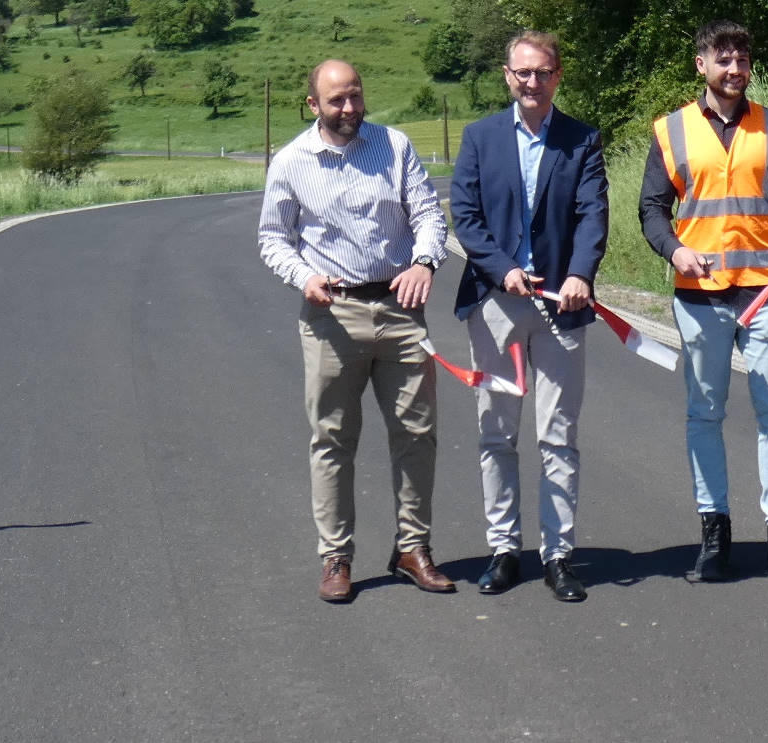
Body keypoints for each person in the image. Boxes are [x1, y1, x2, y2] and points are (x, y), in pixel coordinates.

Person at [639, 20, 768, 591]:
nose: (734, 69)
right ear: (702, 64)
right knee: (705, 415)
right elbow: (652, 208)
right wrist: (674, 251)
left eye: (742, 60)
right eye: (723, 59)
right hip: (700, 298)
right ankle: (715, 536)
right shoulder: (670, 131)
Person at [258, 59, 455, 603]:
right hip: (332, 316)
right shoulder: (292, 162)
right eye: (336, 100)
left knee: (417, 436)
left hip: (398, 307)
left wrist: (424, 263)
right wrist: (304, 277)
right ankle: (336, 557)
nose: (349, 109)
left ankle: (413, 549)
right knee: (333, 441)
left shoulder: (393, 147)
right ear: (313, 105)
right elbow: (273, 238)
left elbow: (429, 216)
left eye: (355, 96)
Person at [450, 31, 609, 604]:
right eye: (522, 73)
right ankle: (502, 549)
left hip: (562, 306)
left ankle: (559, 554)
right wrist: (499, 268)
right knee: (496, 432)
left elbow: (593, 213)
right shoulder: (479, 138)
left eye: (542, 73)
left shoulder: (582, 140)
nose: (532, 82)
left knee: (558, 435)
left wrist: (581, 274)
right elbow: (465, 218)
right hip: (495, 303)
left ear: (557, 75)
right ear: (507, 75)